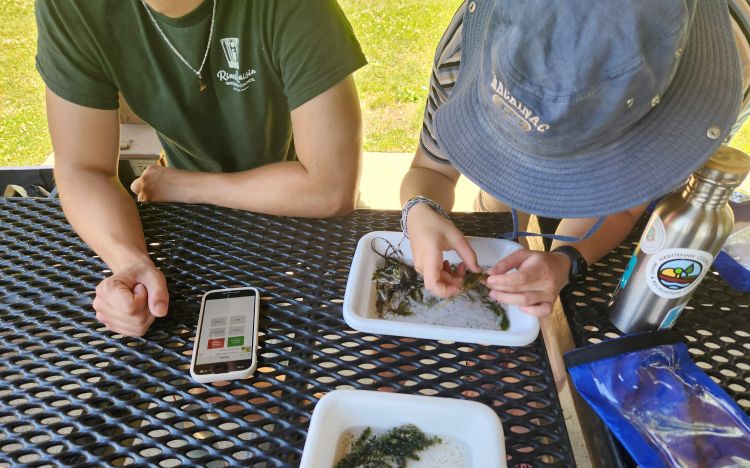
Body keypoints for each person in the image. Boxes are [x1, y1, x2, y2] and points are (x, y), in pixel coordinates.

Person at [35, 0, 367, 336]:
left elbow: (329, 188)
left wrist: (186, 186)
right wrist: (129, 262)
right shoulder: (71, 7)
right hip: (188, 220)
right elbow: (83, 167)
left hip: (302, 220)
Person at [401, 0, 750, 318]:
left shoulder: (720, 89)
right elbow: (431, 170)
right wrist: (419, 209)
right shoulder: (467, 50)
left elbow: (623, 202)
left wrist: (565, 260)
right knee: (498, 206)